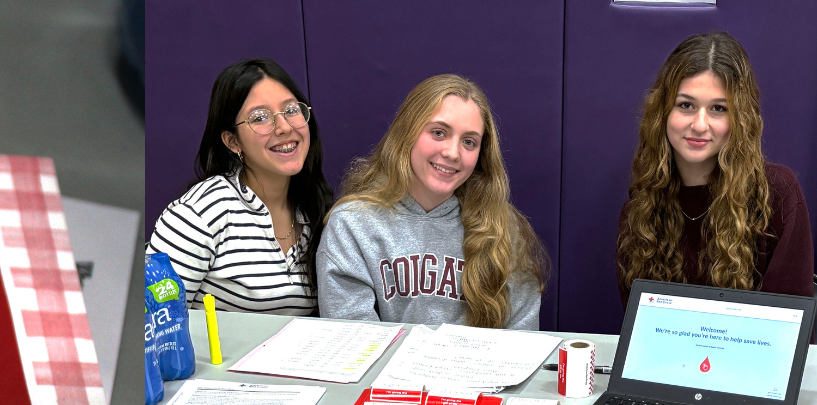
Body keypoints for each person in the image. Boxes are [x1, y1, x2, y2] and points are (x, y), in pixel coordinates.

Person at [316, 74, 546, 330]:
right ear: (407, 133)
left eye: (469, 142)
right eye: (439, 133)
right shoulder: (352, 224)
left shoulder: (503, 227)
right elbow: (354, 340)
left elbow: (522, 342)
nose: (452, 153)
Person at [615, 32, 812, 303]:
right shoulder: (640, 209)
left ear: (740, 119)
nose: (699, 124)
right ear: (663, 112)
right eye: (686, 105)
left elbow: (789, 327)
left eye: (718, 109)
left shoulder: (776, 194)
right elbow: (641, 326)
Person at [147, 58, 332, 315]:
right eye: (260, 118)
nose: (284, 127)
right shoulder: (200, 213)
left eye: (291, 110)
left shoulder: (316, 209)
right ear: (233, 142)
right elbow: (157, 325)